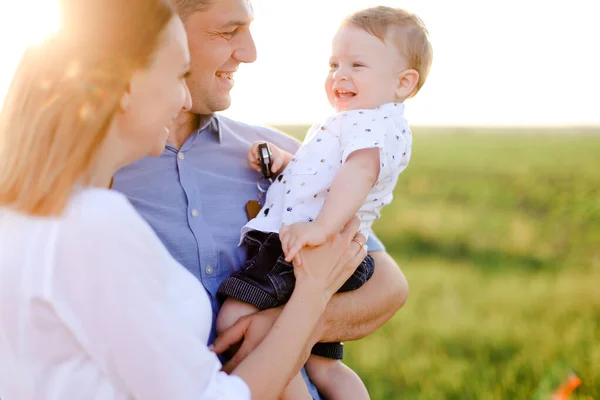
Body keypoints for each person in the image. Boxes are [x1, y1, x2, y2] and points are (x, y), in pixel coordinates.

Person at [0, 0, 366, 399]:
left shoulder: (26, 213)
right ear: (125, 89)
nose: (184, 100)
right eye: (177, 75)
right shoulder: (92, 222)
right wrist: (312, 295)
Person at [112, 0, 411, 398]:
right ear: (164, 35)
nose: (250, 53)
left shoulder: (284, 154)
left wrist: (292, 325)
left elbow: (388, 285)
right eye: (227, 31)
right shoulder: (94, 177)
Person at [215, 6, 433, 399]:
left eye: (358, 64)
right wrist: (284, 163)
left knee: (237, 317)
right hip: (333, 253)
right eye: (334, 64)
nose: (340, 75)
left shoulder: (369, 123)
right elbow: (321, 175)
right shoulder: (361, 122)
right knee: (324, 364)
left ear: (403, 83)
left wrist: (319, 229)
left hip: (304, 251)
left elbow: (359, 176)